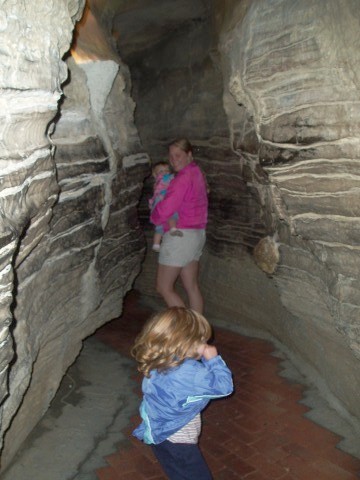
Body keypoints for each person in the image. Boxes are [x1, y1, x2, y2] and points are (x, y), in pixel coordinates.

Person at [132, 307, 233, 480]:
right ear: (186, 343)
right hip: (179, 440)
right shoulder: (191, 373)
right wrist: (213, 360)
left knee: (177, 473)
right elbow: (224, 387)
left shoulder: (159, 358)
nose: (204, 344)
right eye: (201, 340)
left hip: (158, 431)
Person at [150, 138, 208, 313]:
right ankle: (199, 333)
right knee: (191, 287)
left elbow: (166, 209)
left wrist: (154, 215)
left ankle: (187, 333)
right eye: (171, 156)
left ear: (189, 155)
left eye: (178, 155)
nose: (173, 160)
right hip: (196, 234)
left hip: (180, 236)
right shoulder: (197, 172)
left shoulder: (182, 178)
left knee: (164, 287)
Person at [149, 162, 183, 252]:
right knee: (172, 214)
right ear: (155, 174)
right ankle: (173, 228)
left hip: (156, 207)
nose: (164, 172)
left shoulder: (157, 181)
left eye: (167, 170)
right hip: (162, 201)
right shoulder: (165, 178)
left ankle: (156, 245)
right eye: (161, 171)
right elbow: (175, 179)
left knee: (159, 227)